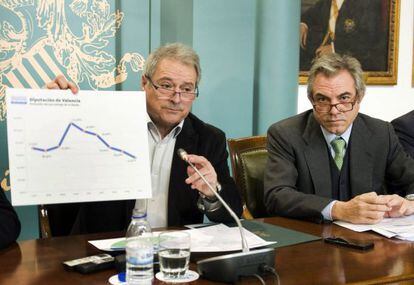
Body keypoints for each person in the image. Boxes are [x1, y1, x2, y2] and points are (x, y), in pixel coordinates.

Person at [45, 43, 242, 235]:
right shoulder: (103, 124)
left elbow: (232, 214)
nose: (176, 98)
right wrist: (58, 112)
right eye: (166, 86)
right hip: (105, 250)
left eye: (187, 89)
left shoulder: (208, 139)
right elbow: (61, 183)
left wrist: (212, 191)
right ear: (144, 83)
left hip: (174, 254)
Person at [264, 53, 414, 225]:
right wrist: (339, 210)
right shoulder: (285, 134)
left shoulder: (381, 132)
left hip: (369, 240)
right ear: (311, 100)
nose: (334, 110)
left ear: (359, 97)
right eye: (322, 100)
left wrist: (409, 202)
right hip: (310, 237)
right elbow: (276, 195)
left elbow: (411, 179)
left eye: (344, 98)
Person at [300, 0, 387, 71]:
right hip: (319, 61)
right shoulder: (327, 2)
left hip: (349, 67)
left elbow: (368, 42)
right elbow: (310, 15)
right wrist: (303, 24)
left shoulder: (368, 3)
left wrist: (334, 49)